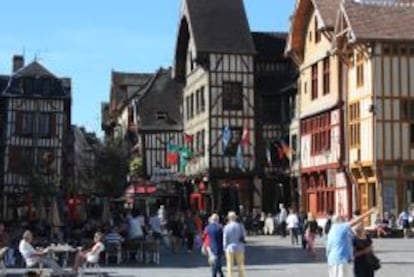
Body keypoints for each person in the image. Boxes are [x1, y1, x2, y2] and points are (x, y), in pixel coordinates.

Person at [326, 208, 376, 277]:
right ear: (340, 221)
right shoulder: (341, 227)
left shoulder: (332, 229)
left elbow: (328, 248)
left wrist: (349, 256)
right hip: (340, 260)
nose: (345, 219)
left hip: (332, 260)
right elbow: (355, 221)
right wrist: (369, 212)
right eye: (343, 218)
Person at [223, 211, 246, 277]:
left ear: (228, 218)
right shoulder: (240, 226)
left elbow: (225, 238)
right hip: (239, 247)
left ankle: (230, 276)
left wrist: (224, 247)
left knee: (230, 264)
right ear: (235, 217)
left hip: (229, 247)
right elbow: (244, 235)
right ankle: (241, 275)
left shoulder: (226, 227)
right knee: (240, 264)